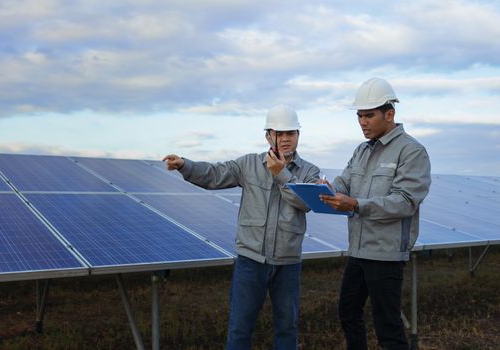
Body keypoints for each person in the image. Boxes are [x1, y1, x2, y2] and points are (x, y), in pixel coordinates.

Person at [163, 105, 320, 350]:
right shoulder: (249, 165)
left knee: (287, 328)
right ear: (268, 136)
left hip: (288, 263)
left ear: (298, 135)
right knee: (240, 328)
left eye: (291, 133)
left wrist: (281, 174)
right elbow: (214, 174)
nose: (286, 139)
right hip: (250, 261)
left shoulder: (310, 172)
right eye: (280, 133)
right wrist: (185, 165)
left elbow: (305, 202)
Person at [319, 78, 431, 350]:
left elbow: (405, 202)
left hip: (386, 253)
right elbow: (344, 183)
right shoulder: (361, 150)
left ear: (389, 114)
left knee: (388, 327)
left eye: (369, 115)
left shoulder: (411, 151)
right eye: (359, 115)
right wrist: (327, 189)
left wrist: (356, 204)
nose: (362, 122)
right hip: (358, 250)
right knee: (348, 312)